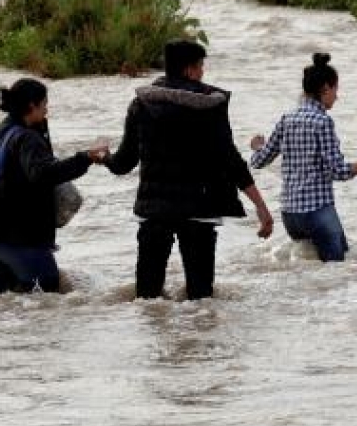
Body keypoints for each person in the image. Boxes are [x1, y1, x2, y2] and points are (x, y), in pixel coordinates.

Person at [103, 40, 275, 300]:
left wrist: (103, 157)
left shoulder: (141, 105)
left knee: (147, 300)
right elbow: (231, 160)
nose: (203, 72)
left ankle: (148, 342)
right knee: (201, 299)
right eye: (200, 66)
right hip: (200, 210)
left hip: (155, 211)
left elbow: (124, 162)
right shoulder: (211, 106)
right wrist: (261, 207)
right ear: (188, 70)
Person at [249, 53, 357, 262]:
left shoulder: (287, 119)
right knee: (338, 269)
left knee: (311, 273)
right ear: (326, 88)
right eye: (336, 90)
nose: (337, 96)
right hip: (317, 212)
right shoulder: (322, 122)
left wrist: (258, 146)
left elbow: (258, 161)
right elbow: (340, 171)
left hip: (290, 215)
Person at [0, 78, 107, 293]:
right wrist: (86, 158)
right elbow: (44, 173)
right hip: (23, 239)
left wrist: (42, 131)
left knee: (4, 310)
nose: (47, 110)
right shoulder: (27, 138)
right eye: (44, 104)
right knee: (46, 298)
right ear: (31, 106)